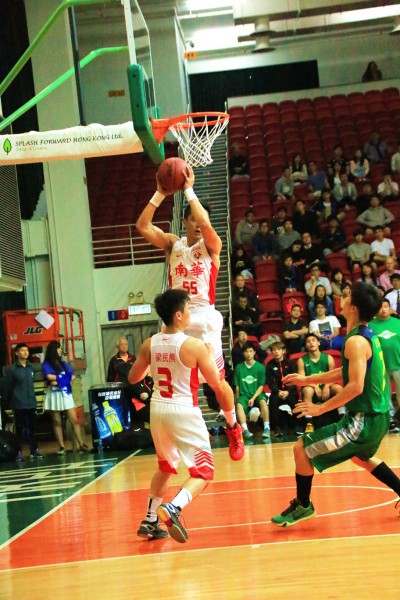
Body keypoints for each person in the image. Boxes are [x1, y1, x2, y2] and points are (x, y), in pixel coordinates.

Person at [136, 164, 244, 461]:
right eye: (193, 218)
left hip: (204, 319)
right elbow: (142, 227)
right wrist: (159, 194)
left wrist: (188, 190)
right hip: (175, 321)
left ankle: (233, 427)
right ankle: (176, 433)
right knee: (172, 382)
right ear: (184, 221)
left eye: (201, 218)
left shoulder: (212, 246)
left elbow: (207, 224)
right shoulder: (173, 244)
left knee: (218, 383)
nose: (198, 223)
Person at [272, 282, 400, 528]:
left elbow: (355, 386)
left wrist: (320, 408)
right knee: (361, 458)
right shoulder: (365, 334)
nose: (343, 297)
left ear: (353, 307)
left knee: (301, 449)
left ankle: (303, 505)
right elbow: (347, 372)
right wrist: (307, 380)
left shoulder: (356, 342)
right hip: (375, 416)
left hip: (364, 419)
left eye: (347, 295)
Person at [130, 289, 229, 543]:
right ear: (178, 315)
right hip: (183, 409)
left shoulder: (149, 343)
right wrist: (209, 354)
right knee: (204, 473)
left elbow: (133, 378)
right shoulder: (194, 346)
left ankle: (150, 519)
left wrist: (154, 366)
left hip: (157, 409)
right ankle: (174, 507)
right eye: (188, 309)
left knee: (166, 466)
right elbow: (215, 382)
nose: (190, 313)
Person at [42, 340, 89, 455]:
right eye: (58, 348)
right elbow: (49, 376)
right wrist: (63, 379)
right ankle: (61, 446)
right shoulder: (46, 364)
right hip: (53, 395)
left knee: (74, 420)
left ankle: (81, 444)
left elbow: (72, 376)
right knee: (56, 421)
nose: (60, 350)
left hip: (65, 393)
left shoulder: (64, 364)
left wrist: (58, 381)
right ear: (53, 350)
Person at [3, 343, 44, 460]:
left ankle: (34, 451)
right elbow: (8, 388)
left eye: (27, 350)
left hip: (31, 403)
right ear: (16, 353)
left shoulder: (31, 367)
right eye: (22, 350)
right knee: (19, 430)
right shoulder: (12, 370)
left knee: (31, 428)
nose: (25, 352)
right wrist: (11, 402)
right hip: (19, 404)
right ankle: (18, 452)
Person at [297, 333, 343, 431]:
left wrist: (326, 386)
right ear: (306, 346)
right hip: (311, 389)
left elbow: (333, 377)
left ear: (318, 343)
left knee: (338, 388)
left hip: (327, 388)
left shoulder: (328, 358)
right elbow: (302, 379)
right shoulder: (302, 360)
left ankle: (342, 419)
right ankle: (309, 423)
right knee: (308, 390)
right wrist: (315, 387)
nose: (311, 343)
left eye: (313, 340)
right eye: (308, 341)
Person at [369, 298, 400, 432]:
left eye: (386, 306)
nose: (383, 309)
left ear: (390, 308)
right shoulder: (370, 325)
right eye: (381, 307)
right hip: (380, 365)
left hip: (398, 363)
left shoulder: (397, 323)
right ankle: (390, 419)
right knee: (384, 394)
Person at [233, 343, 270, 439]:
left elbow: (261, 386)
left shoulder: (260, 367)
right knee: (239, 405)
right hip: (244, 395)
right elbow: (237, 386)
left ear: (254, 352)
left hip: (257, 394)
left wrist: (253, 398)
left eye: (250, 351)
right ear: (243, 353)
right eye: (246, 351)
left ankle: (267, 428)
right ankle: (245, 430)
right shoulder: (238, 367)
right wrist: (238, 400)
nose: (248, 354)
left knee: (263, 403)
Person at [265, 341, 298, 438]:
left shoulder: (291, 363)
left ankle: (298, 425)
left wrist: (288, 391)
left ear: (283, 351)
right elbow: (270, 382)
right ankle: (276, 427)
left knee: (295, 403)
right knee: (273, 402)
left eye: (279, 349)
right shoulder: (270, 365)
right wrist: (278, 391)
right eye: (274, 350)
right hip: (277, 392)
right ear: (271, 352)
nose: (276, 352)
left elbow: (295, 379)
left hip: (290, 391)